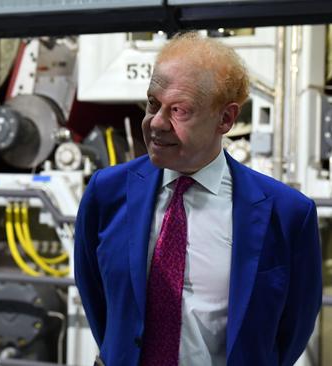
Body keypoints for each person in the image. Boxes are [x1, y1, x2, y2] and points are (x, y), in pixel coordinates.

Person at [75, 32, 321, 366]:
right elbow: (98, 300)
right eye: (152, 103)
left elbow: (291, 329)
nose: (156, 123)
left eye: (179, 110)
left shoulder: (288, 214)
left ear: (225, 119)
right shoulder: (107, 193)